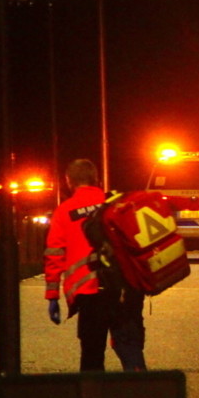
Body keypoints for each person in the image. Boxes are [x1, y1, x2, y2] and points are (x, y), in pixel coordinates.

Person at [44, 159, 147, 371]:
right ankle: (141, 394)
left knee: (92, 353)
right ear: (96, 179)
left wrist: (52, 295)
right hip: (123, 287)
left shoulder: (64, 211)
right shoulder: (115, 203)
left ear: (68, 181)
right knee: (129, 346)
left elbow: (54, 254)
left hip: (89, 292)